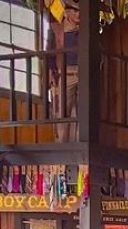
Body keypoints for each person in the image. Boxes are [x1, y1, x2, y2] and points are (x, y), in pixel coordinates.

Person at [47, 1, 79, 141]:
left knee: (83, 111)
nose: (78, 14)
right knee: (62, 111)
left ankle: (80, 143)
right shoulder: (56, 28)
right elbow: (49, 51)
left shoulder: (87, 28)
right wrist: (51, 70)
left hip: (84, 71)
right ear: (67, 12)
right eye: (75, 10)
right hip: (65, 72)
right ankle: (62, 143)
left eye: (79, 11)